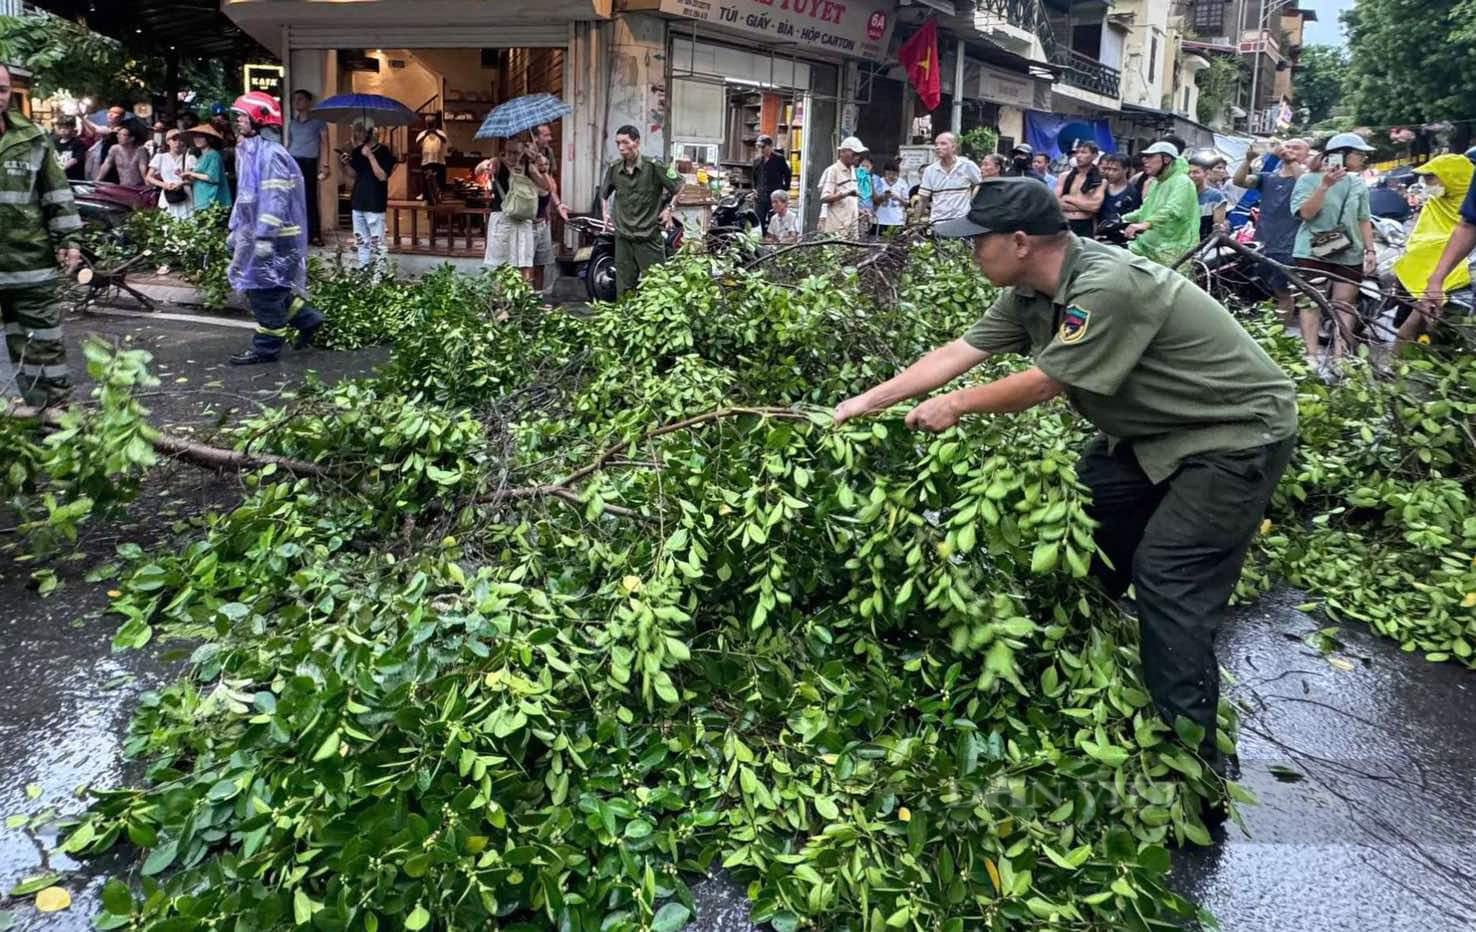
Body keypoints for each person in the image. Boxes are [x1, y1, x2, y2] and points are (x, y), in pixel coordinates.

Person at [832, 178, 1297, 792]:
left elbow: (1045, 382)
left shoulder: (1106, 284)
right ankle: (1093, 684)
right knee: (1089, 536)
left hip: (1233, 437)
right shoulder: (1027, 293)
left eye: (979, 242)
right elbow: (959, 350)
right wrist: (867, 401)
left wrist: (956, 407)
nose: (972, 255)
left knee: (1168, 578)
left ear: (1020, 241)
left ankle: (1194, 763)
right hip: (1144, 437)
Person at [224, 91, 325, 366]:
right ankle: (310, 320)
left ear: (260, 118)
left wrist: (264, 238)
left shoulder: (271, 155)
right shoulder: (250, 152)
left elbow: (274, 201)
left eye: (242, 116)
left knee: (263, 292)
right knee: (275, 289)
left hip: (275, 239)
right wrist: (237, 231)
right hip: (259, 235)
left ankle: (266, 348)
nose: (238, 122)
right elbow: (246, 197)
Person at [0, 63, 81, 407]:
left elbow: (56, 193)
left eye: (2, 90)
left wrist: (69, 240)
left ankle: (54, 419)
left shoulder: (33, 138)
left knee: (43, 346)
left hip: (30, 266)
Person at [1291, 132, 1375, 370]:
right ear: (1341, 154)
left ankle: (1341, 358)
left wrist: (1370, 251)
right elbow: (1305, 214)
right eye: (1359, 154)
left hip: (1350, 250)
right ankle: (1311, 355)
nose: (1362, 158)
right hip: (1312, 249)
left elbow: (1364, 219)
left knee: (1345, 303)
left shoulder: (1359, 182)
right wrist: (1325, 186)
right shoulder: (1308, 180)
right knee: (1310, 302)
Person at [1395, 154, 1474, 343]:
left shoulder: (1469, 202)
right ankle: (1394, 365)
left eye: (1431, 177)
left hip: (1464, 277)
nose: (1427, 183)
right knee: (1418, 317)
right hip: (1432, 275)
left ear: (1452, 176)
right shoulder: (1435, 204)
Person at [1234, 137, 1308, 329]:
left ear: (1306, 155)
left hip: (1292, 245)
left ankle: (1278, 335)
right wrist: (1248, 160)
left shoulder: (1308, 177)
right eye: (1287, 146)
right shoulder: (1268, 177)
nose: (1289, 150)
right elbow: (1239, 180)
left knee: (1285, 293)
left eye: (1296, 148)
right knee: (1264, 291)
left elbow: (1305, 185)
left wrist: (1291, 161)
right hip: (1264, 242)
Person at [599, 125, 681, 299]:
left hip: (649, 237)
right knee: (625, 288)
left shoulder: (655, 166)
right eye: (618, 143)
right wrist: (605, 213)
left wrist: (669, 209)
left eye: (625, 142)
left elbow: (680, 186)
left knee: (657, 286)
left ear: (636, 142)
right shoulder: (614, 169)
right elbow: (604, 193)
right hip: (624, 238)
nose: (621, 148)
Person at [1120, 141, 1198, 268]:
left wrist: (1146, 224)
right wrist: (1123, 219)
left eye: (1150, 157)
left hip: (1172, 250)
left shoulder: (1182, 181)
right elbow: (1146, 210)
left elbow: (1173, 211)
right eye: (1144, 157)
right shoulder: (1157, 182)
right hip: (1150, 246)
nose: (1145, 160)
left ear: (1166, 159)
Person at [479, 141, 547, 284]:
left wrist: (542, 169)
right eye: (508, 152)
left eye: (515, 153)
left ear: (523, 152)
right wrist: (485, 165)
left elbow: (546, 187)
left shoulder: (528, 167)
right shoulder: (497, 162)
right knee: (501, 262)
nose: (511, 156)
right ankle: (500, 301)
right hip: (503, 218)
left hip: (523, 220)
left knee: (525, 261)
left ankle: (522, 298)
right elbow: (479, 169)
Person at [340, 120, 397, 273]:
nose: (357, 134)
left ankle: (380, 276)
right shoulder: (357, 151)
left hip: (375, 202)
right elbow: (353, 175)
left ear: (371, 132)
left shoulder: (384, 151)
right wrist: (345, 164)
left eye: (361, 131)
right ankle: (364, 272)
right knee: (361, 241)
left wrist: (370, 156)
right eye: (357, 131)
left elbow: (382, 176)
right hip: (358, 200)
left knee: (377, 242)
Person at [288, 90, 330, 246]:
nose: (296, 102)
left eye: (300, 99)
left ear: (308, 102)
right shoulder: (293, 122)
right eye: (294, 100)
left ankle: (315, 235)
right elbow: (289, 143)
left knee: (310, 199)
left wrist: (325, 165)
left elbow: (325, 143)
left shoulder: (318, 121)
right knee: (294, 200)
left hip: (309, 163)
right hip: (293, 162)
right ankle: (297, 235)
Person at [918, 132, 982, 225]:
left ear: (954, 147)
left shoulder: (968, 166)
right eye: (936, 144)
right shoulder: (930, 170)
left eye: (943, 143)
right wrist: (916, 221)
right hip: (938, 223)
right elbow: (923, 199)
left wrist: (973, 199)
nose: (938, 147)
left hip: (962, 222)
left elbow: (981, 185)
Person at [818, 136, 865, 238]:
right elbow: (824, 197)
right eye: (855, 154)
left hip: (851, 225)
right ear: (843, 153)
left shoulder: (852, 171)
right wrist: (845, 194)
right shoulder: (833, 170)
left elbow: (850, 201)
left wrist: (861, 211)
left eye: (858, 154)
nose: (857, 157)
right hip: (836, 227)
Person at [145, 128, 197, 220]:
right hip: (168, 193)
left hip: (185, 193)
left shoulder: (189, 157)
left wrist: (183, 183)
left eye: (181, 139)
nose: (178, 142)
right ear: (167, 141)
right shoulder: (160, 157)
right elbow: (149, 177)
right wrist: (164, 184)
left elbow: (194, 179)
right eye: (174, 139)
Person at [1056, 142, 1104, 237]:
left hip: (1085, 225)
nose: (1078, 156)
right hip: (1064, 222)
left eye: (1083, 152)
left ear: (1094, 155)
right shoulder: (1064, 176)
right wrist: (1084, 205)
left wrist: (1068, 199)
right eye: (1077, 152)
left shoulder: (1099, 180)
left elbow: (1094, 207)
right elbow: (1056, 202)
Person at [183, 124, 232, 212]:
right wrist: (187, 177)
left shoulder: (213, 155)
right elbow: (199, 178)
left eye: (201, 137)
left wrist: (191, 173)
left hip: (211, 200)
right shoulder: (201, 157)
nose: (197, 139)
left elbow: (212, 178)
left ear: (209, 139)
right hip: (201, 200)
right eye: (195, 137)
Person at [752, 134, 792, 235]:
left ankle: (774, 240)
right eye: (759, 147)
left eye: (763, 147)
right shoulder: (757, 161)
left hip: (774, 195)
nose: (761, 149)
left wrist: (784, 189)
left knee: (774, 220)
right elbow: (754, 177)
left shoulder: (779, 159)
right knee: (758, 220)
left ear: (770, 146)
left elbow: (787, 174)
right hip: (761, 195)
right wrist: (754, 189)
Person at [1187, 158, 1228, 241]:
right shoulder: (1182, 194)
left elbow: (1218, 227)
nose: (1191, 176)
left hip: (1205, 244)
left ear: (1206, 173)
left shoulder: (1216, 196)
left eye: (1196, 172)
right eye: (1188, 173)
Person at [1096, 153, 1141, 226]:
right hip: (1100, 233)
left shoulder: (1132, 193)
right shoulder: (1103, 188)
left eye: (1115, 170)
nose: (1110, 173)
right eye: (1108, 169)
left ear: (1126, 169)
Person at [416, 113, 449, 196]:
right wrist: (426, 134)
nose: (430, 125)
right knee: (426, 179)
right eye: (428, 123)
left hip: (439, 160)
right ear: (426, 124)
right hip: (426, 160)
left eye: (431, 123)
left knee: (439, 179)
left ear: (435, 123)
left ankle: (439, 194)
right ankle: (425, 194)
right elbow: (418, 143)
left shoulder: (440, 133)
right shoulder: (422, 133)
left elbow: (444, 140)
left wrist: (435, 133)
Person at [872, 159, 907, 236]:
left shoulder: (902, 183)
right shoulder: (879, 182)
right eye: (888, 173)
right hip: (880, 221)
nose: (891, 176)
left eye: (894, 174)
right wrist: (884, 197)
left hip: (897, 221)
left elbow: (907, 204)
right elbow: (874, 201)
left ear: (898, 173)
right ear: (885, 172)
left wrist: (897, 198)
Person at [856, 154, 876, 236]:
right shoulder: (854, 176)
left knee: (865, 232)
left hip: (869, 210)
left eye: (867, 166)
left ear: (871, 167)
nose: (864, 168)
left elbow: (876, 198)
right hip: (855, 209)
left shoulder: (875, 178)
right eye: (862, 165)